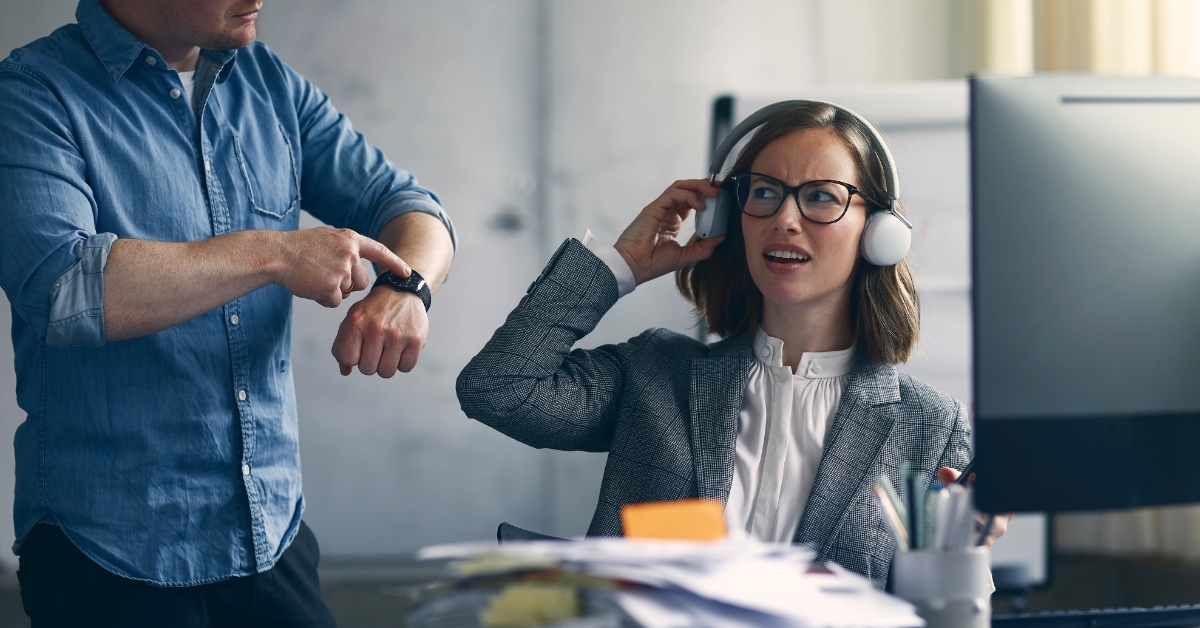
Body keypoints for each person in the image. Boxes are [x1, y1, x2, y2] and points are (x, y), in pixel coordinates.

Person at [0, 0, 455, 625]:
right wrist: (272, 253)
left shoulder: (267, 81)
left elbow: (410, 205)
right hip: (108, 551)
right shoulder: (32, 91)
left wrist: (410, 289)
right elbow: (64, 288)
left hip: (271, 534)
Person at [457, 101, 1007, 587]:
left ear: (879, 231)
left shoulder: (932, 427)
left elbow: (937, 609)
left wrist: (957, 556)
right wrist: (621, 265)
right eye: (764, 193)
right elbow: (497, 388)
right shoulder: (658, 373)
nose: (785, 220)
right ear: (730, 214)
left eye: (821, 197)